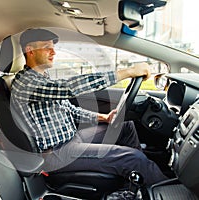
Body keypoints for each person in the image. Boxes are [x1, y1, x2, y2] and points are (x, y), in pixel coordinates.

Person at [10, 28, 168, 186]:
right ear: (30, 50)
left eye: (53, 47)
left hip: (72, 139)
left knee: (126, 126)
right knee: (132, 158)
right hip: (56, 154)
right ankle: (163, 188)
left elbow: (70, 110)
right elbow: (68, 88)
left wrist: (103, 117)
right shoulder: (26, 82)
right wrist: (129, 72)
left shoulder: (42, 78)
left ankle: (139, 178)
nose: (53, 52)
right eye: (46, 47)